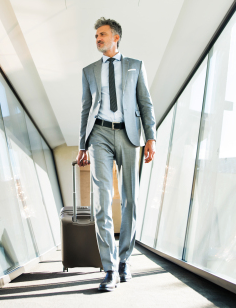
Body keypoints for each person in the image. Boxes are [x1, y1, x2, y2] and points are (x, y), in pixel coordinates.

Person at [77, 17, 156, 291]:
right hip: (99, 133)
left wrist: (151, 137)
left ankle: (125, 261)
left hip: (129, 134)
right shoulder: (89, 71)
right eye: (96, 35)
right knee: (101, 200)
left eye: (102, 34)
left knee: (130, 199)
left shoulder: (136, 66)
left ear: (116, 37)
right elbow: (86, 109)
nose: (98, 39)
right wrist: (82, 145)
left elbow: (145, 103)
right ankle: (109, 268)